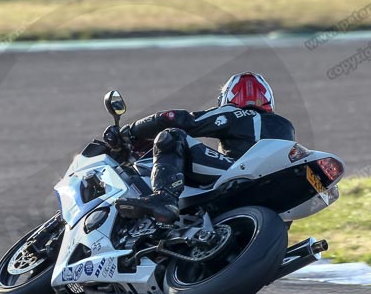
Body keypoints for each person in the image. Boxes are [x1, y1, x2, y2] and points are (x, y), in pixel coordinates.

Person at [104, 72, 295, 224]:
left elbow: (175, 118)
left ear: (227, 97)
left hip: (239, 172)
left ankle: (164, 198)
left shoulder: (234, 112)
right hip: (274, 191)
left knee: (172, 135)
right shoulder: (286, 126)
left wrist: (129, 132)